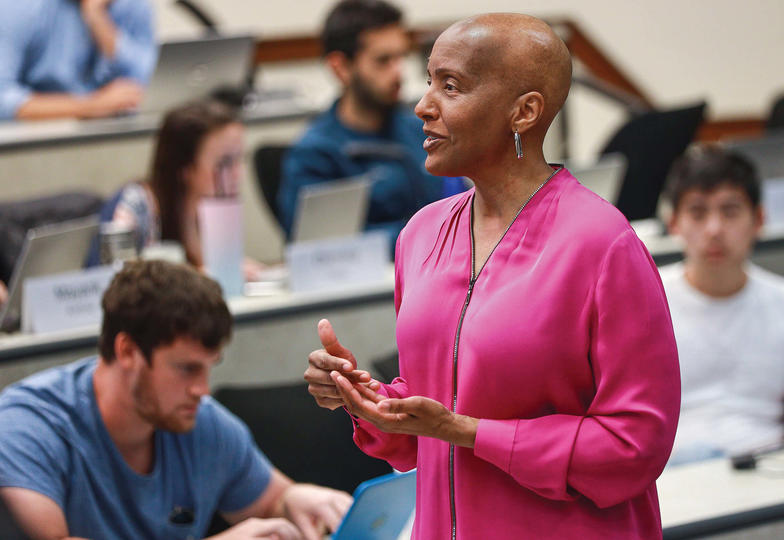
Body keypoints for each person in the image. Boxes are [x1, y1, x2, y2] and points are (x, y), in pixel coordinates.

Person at [304, 13, 680, 539]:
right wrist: (369, 401)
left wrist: (465, 432)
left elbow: (633, 446)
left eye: (450, 86)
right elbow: (428, 420)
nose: (422, 104)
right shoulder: (421, 235)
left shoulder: (603, 244)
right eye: (429, 79)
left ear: (523, 112)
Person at [0, 260, 352, 539]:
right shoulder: (27, 426)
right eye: (186, 369)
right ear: (127, 351)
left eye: (208, 367)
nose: (202, 388)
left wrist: (296, 501)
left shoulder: (201, 420)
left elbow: (273, 501)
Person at [660, 144, 784, 465]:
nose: (714, 230)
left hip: (766, 476)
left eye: (730, 211)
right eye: (698, 212)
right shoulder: (639, 303)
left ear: (759, 219)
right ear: (674, 223)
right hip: (664, 482)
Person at [278, 0, 464, 243]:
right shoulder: (315, 153)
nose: (398, 72)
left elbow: (460, 207)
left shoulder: (422, 130)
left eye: (401, 57)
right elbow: (320, 246)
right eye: (383, 60)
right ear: (341, 67)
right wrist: (426, 232)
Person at [86, 100, 261, 277]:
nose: (238, 175)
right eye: (225, 163)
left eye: (241, 159)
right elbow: (112, 286)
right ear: (185, 168)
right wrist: (205, 277)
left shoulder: (215, 211)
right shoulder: (132, 205)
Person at [0, 0, 155, 121]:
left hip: (111, 136)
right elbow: (3, 101)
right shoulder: (18, 6)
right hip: (37, 139)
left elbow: (137, 87)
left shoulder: (132, 4)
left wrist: (96, 17)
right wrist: (92, 106)